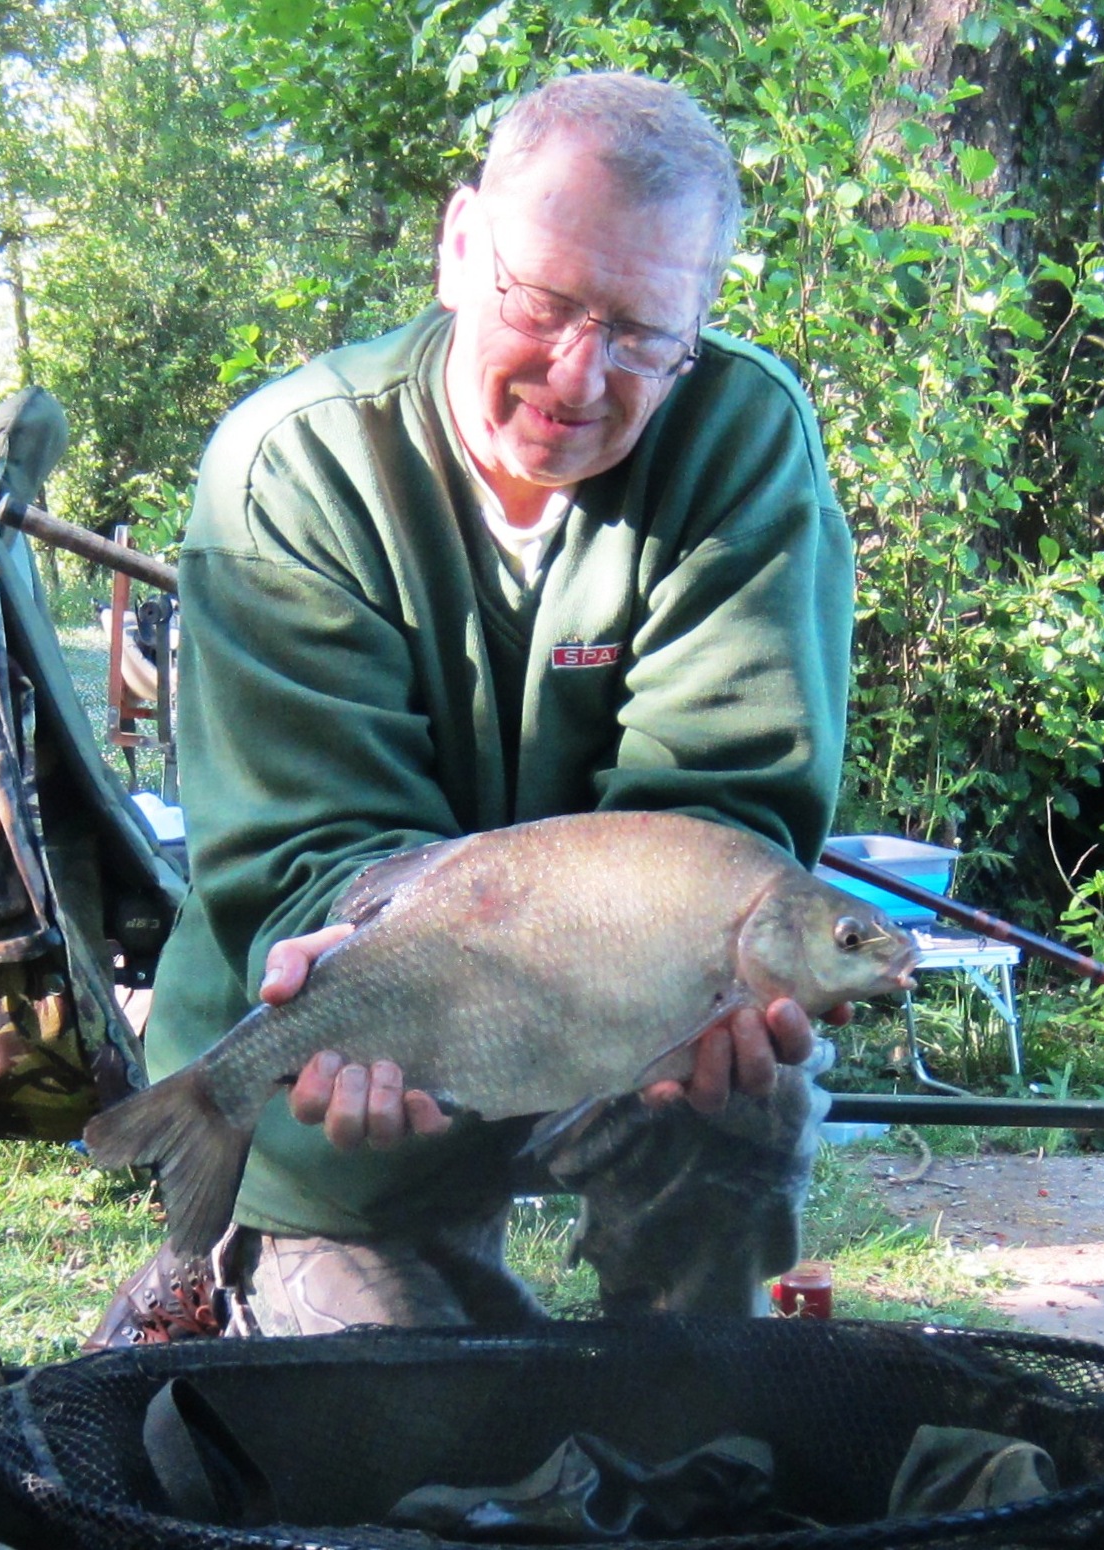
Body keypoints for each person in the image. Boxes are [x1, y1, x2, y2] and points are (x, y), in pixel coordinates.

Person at [87, 70, 856, 1345]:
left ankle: (686, 1400)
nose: (578, 371)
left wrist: (710, 979)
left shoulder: (742, 444)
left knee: (751, 1074)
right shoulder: (293, 467)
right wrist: (341, 968)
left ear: (697, 323)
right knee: (406, 1409)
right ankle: (251, 1270)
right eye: (543, 302)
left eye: (638, 330)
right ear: (457, 247)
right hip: (353, 1067)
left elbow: (717, 821)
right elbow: (305, 853)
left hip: (627, 1031)